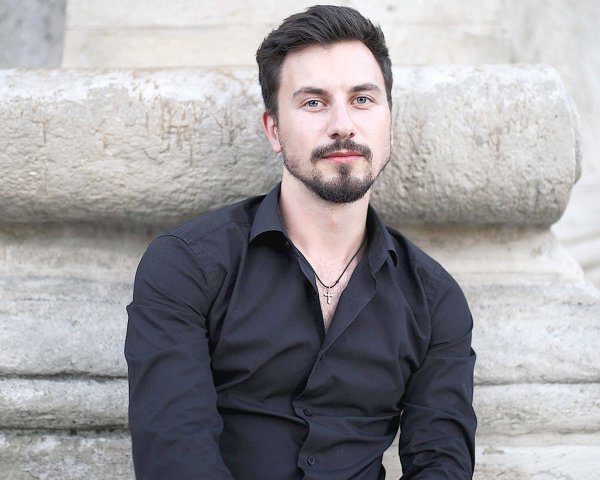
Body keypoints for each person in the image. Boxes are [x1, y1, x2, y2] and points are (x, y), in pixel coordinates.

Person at [125, 5, 476, 480]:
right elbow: (175, 456)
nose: (342, 124)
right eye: (313, 102)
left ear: (389, 122)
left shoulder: (435, 299)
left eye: (362, 99)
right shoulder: (187, 265)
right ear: (274, 129)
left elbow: (442, 462)